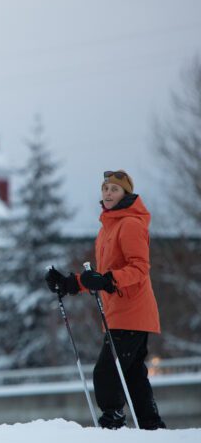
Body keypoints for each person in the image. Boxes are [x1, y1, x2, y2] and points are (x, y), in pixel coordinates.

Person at [45, 169, 165, 429]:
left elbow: (139, 268)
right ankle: (151, 425)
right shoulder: (108, 228)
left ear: (126, 194)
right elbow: (100, 275)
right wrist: (70, 283)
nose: (108, 193)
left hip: (132, 311)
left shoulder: (130, 223)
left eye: (114, 189)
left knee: (107, 371)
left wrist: (108, 280)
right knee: (132, 374)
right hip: (119, 312)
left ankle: (113, 419)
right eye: (105, 188)